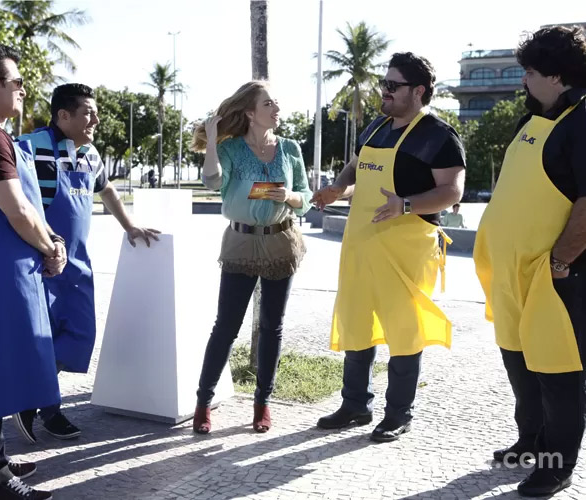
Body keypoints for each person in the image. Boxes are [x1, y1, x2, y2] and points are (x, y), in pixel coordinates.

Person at [313, 52, 466, 442]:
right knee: (357, 322)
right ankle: (354, 405)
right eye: (384, 83)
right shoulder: (376, 127)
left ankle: (398, 413)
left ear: (418, 91)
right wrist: (337, 187)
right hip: (362, 244)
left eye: (393, 86)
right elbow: (354, 165)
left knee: (404, 330)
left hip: (407, 249)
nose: (385, 91)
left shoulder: (439, 135)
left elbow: (451, 191)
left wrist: (406, 204)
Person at [12, 83, 160, 444]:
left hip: (77, 265)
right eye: (87, 112)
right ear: (63, 115)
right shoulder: (31, 148)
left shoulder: (91, 154)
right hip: (41, 263)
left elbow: (105, 189)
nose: (95, 119)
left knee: (80, 336)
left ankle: (33, 399)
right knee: (38, 340)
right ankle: (45, 407)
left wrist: (129, 225)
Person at [474, 26, 586, 497]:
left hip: (553, 276)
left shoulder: (582, 121)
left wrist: (560, 262)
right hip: (512, 276)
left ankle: (556, 465)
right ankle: (531, 442)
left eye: (530, 72)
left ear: (557, 76)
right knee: (520, 363)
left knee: (557, 372)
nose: (524, 80)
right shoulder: (533, 119)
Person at [0, 41, 65, 500]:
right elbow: (17, 210)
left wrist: (50, 242)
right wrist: (50, 247)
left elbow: (27, 206)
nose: (24, 91)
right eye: (18, 83)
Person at [190, 81, 312, 434]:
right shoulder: (230, 150)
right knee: (226, 327)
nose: (277, 110)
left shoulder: (290, 148)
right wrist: (213, 141)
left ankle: (263, 404)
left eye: (277, 104)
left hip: (280, 242)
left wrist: (288, 196)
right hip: (241, 243)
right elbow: (212, 183)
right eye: (269, 104)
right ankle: (203, 403)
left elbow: (304, 195)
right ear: (250, 113)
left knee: (272, 327)